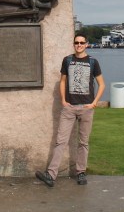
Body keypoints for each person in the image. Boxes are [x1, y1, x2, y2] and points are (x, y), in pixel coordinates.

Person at [35, 34, 105, 187]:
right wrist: (63, 101)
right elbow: (62, 81)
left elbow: (102, 84)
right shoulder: (67, 60)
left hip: (86, 108)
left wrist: (94, 102)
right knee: (60, 141)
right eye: (76, 42)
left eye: (81, 43)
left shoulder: (93, 62)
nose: (79, 45)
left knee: (83, 142)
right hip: (69, 108)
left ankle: (81, 173)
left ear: (86, 44)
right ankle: (51, 175)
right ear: (73, 44)